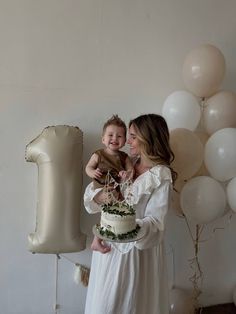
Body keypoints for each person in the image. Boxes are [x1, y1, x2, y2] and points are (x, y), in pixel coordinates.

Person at [84, 114, 177, 314]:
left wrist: (124, 225)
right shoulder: (125, 163)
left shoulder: (160, 176)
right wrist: (100, 197)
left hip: (135, 256)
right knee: (102, 305)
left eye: (133, 136)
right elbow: (96, 192)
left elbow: (156, 222)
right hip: (107, 249)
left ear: (147, 138)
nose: (127, 141)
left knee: (128, 306)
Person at [85, 114, 133, 252]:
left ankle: (102, 239)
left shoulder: (124, 157)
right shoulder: (98, 155)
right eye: (110, 135)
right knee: (108, 213)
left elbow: (130, 170)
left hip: (116, 187)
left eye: (119, 136)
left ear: (124, 140)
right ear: (103, 139)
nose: (114, 138)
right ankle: (97, 240)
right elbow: (88, 167)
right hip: (102, 186)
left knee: (113, 215)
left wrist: (126, 174)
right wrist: (92, 172)